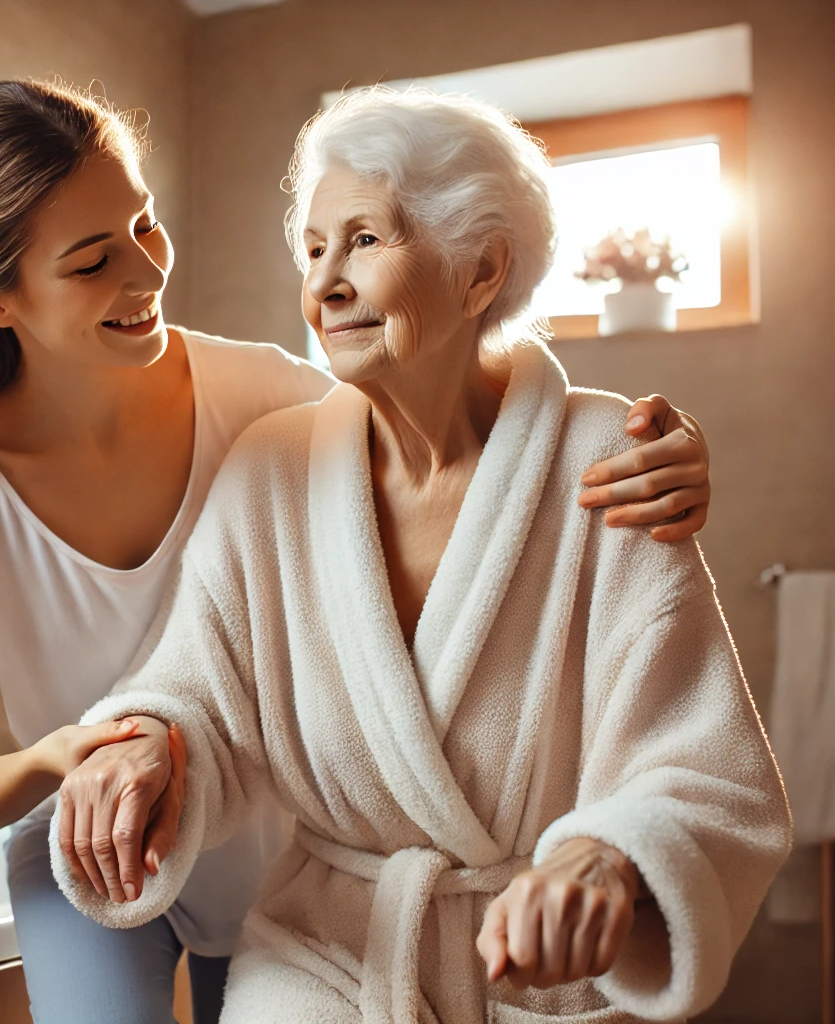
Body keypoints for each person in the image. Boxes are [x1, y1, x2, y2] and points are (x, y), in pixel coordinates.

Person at [0, 80, 710, 1024]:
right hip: (97, 841)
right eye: (92, 262)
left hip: (275, 847)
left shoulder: (263, 400)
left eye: (146, 224)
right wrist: (67, 757)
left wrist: (651, 444)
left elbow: (450, 409)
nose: (145, 272)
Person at [50, 87, 791, 1024]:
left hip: (540, 971)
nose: (323, 285)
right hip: (330, 955)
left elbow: (701, 760)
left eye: (364, 240)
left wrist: (606, 858)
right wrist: (147, 741)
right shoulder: (270, 472)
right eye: (313, 250)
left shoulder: (606, 462)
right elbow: (203, 691)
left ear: (481, 271)